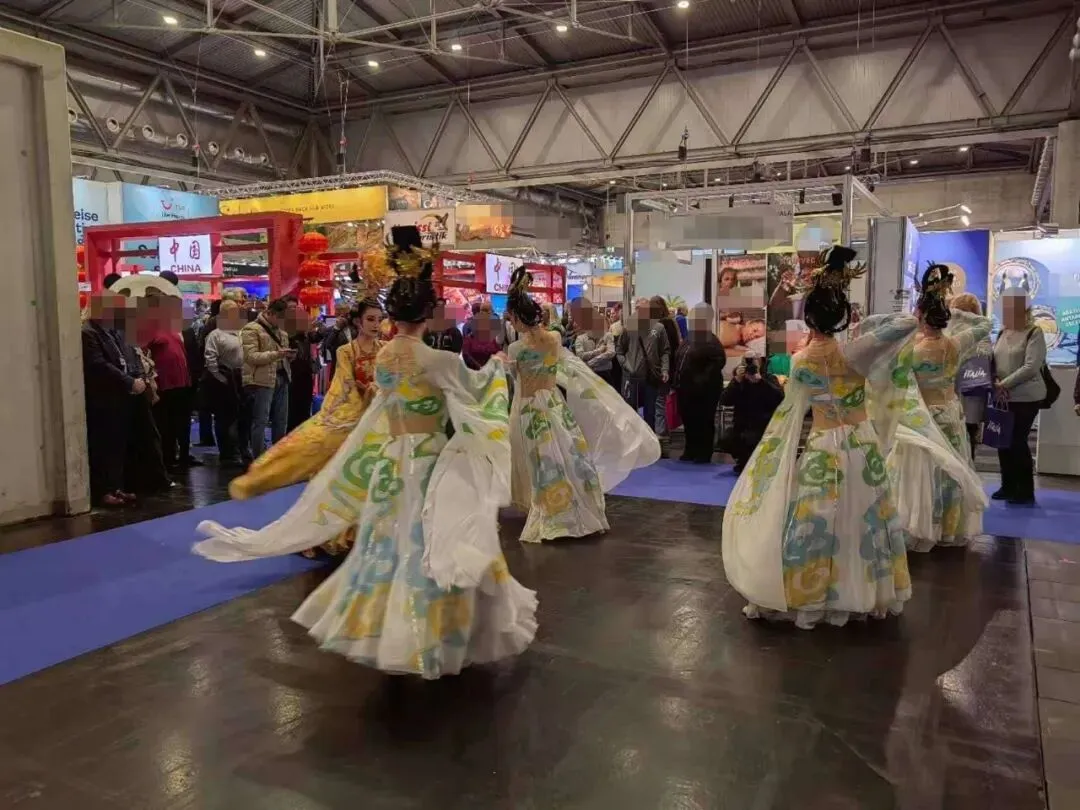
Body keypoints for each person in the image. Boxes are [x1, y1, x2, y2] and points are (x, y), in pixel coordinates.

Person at [194, 226, 537, 679]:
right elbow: (474, 396)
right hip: (430, 460)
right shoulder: (438, 360)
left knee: (391, 542)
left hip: (393, 459)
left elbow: (385, 403)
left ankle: (389, 626)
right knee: (436, 538)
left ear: (392, 314)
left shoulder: (385, 356)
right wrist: (494, 370)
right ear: (428, 313)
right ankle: (438, 630)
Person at [722, 245, 918, 630]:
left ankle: (811, 590)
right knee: (864, 515)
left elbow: (790, 409)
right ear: (842, 314)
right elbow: (906, 322)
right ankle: (861, 589)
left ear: (807, 316)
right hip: (860, 445)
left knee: (818, 519)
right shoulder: (856, 352)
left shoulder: (800, 361)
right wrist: (860, 322)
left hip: (823, 445)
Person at [505, 268, 660, 543]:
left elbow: (516, 379)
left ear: (518, 318)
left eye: (512, 318)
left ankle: (546, 504)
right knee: (567, 453)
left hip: (529, 407)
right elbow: (566, 363)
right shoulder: (553, 339)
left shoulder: (516, 349)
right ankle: (573, 503)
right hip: (554, 402)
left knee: (539, 458)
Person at [225, 298, 384, 557]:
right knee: (332, 478)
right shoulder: (347, 351)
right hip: (351, 421)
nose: (376, 325)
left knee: (372, 478)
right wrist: (368, 395)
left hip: (378, 422)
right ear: (358, 322)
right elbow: (343, 387)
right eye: (371, 319)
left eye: (379, 319)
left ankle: (360, 533)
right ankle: (317, 535)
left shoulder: (386, 350)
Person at [884, 265, 991, 552]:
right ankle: (947, 527)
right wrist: (955, 312)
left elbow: (893, 380)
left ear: (920, 316)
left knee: (918, 474)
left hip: (921, 419)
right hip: (951, 413)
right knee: (949, 472)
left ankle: (918, 524)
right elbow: (985, 325)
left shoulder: (911, 351)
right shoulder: (955, 344)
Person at [82, 293, 143, 507]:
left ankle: (116, 486)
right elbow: (98, 365)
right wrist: (128, 381)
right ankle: (104, 490)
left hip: (120, 397)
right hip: (103, 399)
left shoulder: (111, 331)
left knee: (118, 445)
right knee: (103, 445)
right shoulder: (88, 333)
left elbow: (126, 356)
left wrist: (137, 377)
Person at [992, 290, 1047, 506]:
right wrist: (996, 380)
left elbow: (1031, 367)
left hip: (1026, 397)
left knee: (1017, 441)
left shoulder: (1034, 332)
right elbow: (994, 361)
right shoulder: (1002, 332)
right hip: (1003, 397)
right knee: (1002, 442)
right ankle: (1007, 486)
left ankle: (1024, 490)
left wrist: (1004, 384)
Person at [241, 296, 295, 459]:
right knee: (260, 421)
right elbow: (251, 357)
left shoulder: (282, 332)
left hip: (282, 377)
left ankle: (277, 458)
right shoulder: (251, 329)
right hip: (261, 380)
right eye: (280, 318)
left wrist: (288, 356)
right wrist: (277, 354)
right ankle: (258, 458)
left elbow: (281, 354)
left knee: (281, 420)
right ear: (270, 313)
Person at [144, 293, 194, 471]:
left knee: (181, 422)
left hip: (181, 381)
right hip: (164, 383)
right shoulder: (148, 327)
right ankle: (168, 459)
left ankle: (183, 457)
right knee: (166, 424)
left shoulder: (170, 326)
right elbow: (143, 353)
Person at [673, 304, 726, 463]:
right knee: (688, 420)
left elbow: (719, 361)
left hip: (704, 390)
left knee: (704, 420)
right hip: (685, 388)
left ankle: (704, 452)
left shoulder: (711, 340)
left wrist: (702, 380)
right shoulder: (689, 338)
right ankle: (690, 449)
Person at [203, 299, 249, 467]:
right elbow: (210, 359)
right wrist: (219, 378)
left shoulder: (242, 332)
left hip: (243, 379)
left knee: (243, 417)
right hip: (225, 379)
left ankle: (243, 449)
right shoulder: (215, 335)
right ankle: (228, 453)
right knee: (225, 418)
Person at [720, 353, 783, 473]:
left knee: (751, 438)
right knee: (725, 440)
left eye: (754, 361)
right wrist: (736, 381)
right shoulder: (740, 380)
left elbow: (779, 399)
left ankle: (755, 462)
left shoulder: (769, 378)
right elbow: (725, 401)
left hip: (762, 426)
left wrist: (760, 382)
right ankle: (743, 460)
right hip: (740, 426)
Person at [951, 293, 992, 458]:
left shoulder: (947, 328)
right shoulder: (981, 330)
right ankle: (969, 464)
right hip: (973, 385)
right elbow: (986, 355)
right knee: (969, 432)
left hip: (950, 388)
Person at [643, 296, 680, 457]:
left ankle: (658, 440)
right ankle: (661, 438)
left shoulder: (657, 326)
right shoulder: (670, 324)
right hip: (664, 370)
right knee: (660, 404)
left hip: (655, 371)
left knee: (656, 404)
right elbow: (674, 348)